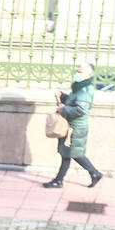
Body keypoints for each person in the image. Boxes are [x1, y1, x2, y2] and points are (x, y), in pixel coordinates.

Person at [43, 60, 101, 189]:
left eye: (80, 72)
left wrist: (63, 109)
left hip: (76, 128)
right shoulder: (79, 87)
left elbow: (81, 110)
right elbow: (73, 102)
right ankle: (59, 180)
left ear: (89, 75)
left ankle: (94, 173)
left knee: (75, 154)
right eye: (77, 71)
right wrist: (63, 97)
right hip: (71, 126)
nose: (77, 74)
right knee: (66, 154)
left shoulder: (85, 90)